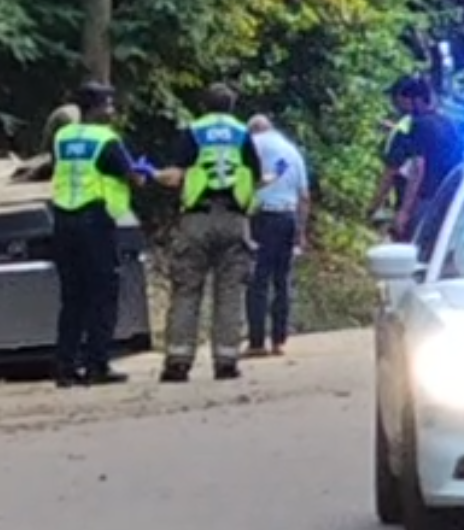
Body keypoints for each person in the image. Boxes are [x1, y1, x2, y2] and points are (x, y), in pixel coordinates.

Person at [152, 82, 264, 382]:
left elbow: (176, 175)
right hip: (233, 218)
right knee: (229, 290)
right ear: (232, 106)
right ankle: (226, 360)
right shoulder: (242, 133)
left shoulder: (193, 130)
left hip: (197, 219)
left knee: (187, 289)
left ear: (204, 106)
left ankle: (178, 360)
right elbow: (255, 175)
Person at [49, 81, 149, 388]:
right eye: (108, 104)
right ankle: (97, 364)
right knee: (103, 294)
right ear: (94, 108)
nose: (112, 110)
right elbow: (132, 176)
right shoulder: (106, 139)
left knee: (72, 297)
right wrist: (142, 173)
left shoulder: (62, 137)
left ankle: (65, 367)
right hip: (95, 221)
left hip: (63, 220)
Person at [243, 115, 309, 358]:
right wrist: (301, 232)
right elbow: (304, 196)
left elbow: (243, 183)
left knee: (258, 281)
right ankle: (279, 340)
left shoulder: (250, 146)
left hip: (260, 218)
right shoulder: (292, 151)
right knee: (282, 280)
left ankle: (256, 341)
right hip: (288, 218)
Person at [386, 78, 464, 239]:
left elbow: (418, 168)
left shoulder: (419, 125)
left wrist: (404, 211)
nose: (401, 107)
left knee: (412, 245)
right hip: (449, 198)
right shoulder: (448, 123)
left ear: (416, 100)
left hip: (426, 200)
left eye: (403, 101)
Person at [366, 76, 418, 237]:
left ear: (403, 98)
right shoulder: (424, 122)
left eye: (394, 98)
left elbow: (391, 171)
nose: (393, 103)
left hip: (407, 202)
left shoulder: (403, 129)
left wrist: (373, 207)